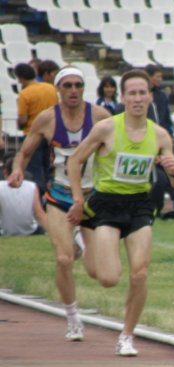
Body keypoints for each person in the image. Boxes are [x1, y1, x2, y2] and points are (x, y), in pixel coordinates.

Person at [66, 69, 174, 356]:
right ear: (123, 98)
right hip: (106, 205)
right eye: (132, 93)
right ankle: (84, 238)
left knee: (140, 274)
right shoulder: (106, 129)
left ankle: (127, 336)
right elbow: (75, 161)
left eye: (142, 93)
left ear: (150, 96)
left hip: (140, 205)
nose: (138, 98)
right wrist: (78, 199)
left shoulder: (160, 135)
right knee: (108, 279)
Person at [8, 66, 111, 340]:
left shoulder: (100, 116)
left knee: (98, 272)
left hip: (92, 197)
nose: (73, 90)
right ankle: (73, 317)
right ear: (58, 88)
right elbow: (24, 153)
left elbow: (118, 148)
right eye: (68, 85)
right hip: (60, 196)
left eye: (78, 85)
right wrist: (17, 170)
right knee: (63, 259)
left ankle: (79, 240)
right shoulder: (47, 119)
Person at [144, 64, 174, 211]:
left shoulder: (161, 95)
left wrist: (168, 132)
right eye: (157, 76)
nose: (160, 79)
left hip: (162, 139)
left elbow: (165, 115)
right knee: (158, 174)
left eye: (161, 76)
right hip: (148, 140)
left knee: (165, 169)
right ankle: (173, 198)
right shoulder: (144, 98)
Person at [15, 62, 59, 197]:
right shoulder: (51, 88)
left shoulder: (25, 94)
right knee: (49, 167)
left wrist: (19, 124)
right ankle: (51, 196)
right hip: (52, 133)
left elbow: (23, 119)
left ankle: (38, 198)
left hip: (32, 134)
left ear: (21, 78)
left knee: (34, 169)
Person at [1, 155, 47, 236]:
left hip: (5, 231)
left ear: (5, 172)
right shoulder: (32, 186)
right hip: (30, 231)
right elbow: (39, 214)